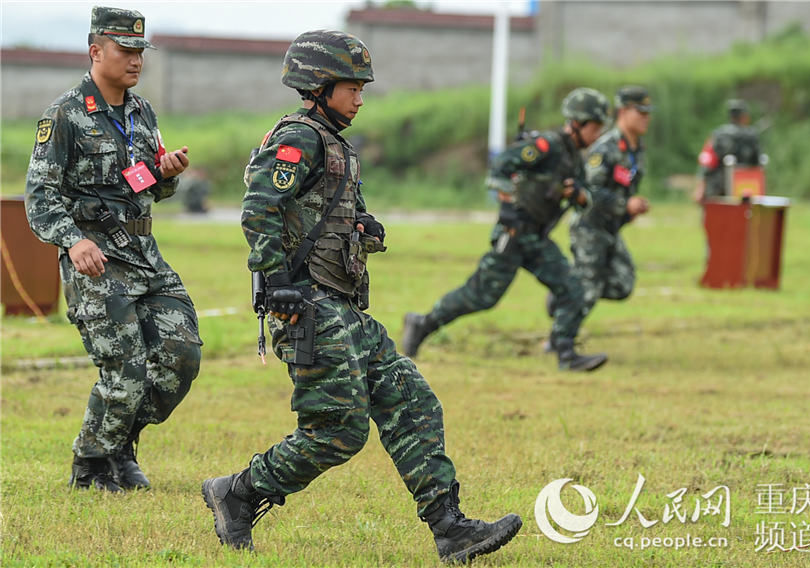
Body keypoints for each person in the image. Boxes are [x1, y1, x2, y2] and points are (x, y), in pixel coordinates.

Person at [201, 30, 521, 563]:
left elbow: (318, 213)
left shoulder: (336, 145)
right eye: (351, 86)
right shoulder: (297, 137)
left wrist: (362, 228)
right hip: (307, 305)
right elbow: (259, 207)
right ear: (318, 84)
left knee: (411, 398)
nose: (360, 96)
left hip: (343, 308)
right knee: (337, 432)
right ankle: (237, 493)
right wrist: (276, 280)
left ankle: (451, 528)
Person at [24, 6, 202, 493]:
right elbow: (40, 196)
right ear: (95, 51)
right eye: (125, 50)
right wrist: (73, 239)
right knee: (125, 370)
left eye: (140, 51)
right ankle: (92, 465)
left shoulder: (143, 113)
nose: (136, 60)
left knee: (180, 358)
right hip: (97, 260)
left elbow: (141, 188)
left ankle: (119, 442)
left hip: (144, 252)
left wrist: (164, 174)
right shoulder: (64, 115)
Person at [400, 89, 611, 372]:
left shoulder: (575, 159)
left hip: (537, 238)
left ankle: (566, 354)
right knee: (482, 296)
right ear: (576, 122)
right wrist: (508, 203)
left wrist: (579, 195)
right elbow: (500, 166)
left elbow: (586, 197)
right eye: (594, 127)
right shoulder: (547, 145)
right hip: (514, 234)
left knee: (572, 288)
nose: (597, 134)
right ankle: (422, 324)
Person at [566, 86, 652, 335]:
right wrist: (624, 205)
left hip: (611, 227)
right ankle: (560, 339)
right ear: (623, 112)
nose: (646, 118)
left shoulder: (636, 149)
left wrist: (629, 211)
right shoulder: (606, 148)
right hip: (590, 226)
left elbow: (625, 185)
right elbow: (589, 190)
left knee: (622, 284)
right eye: (640, 112)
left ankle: (567, 288)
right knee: (589, 289)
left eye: (648, 113)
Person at [693, 98, 763, 203]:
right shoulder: (752, 136)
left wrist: (700, 189)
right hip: (746, 190)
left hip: (717, 191)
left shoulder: (718, 134)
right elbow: (758, 165)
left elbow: (707, 163)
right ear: (745, 117)